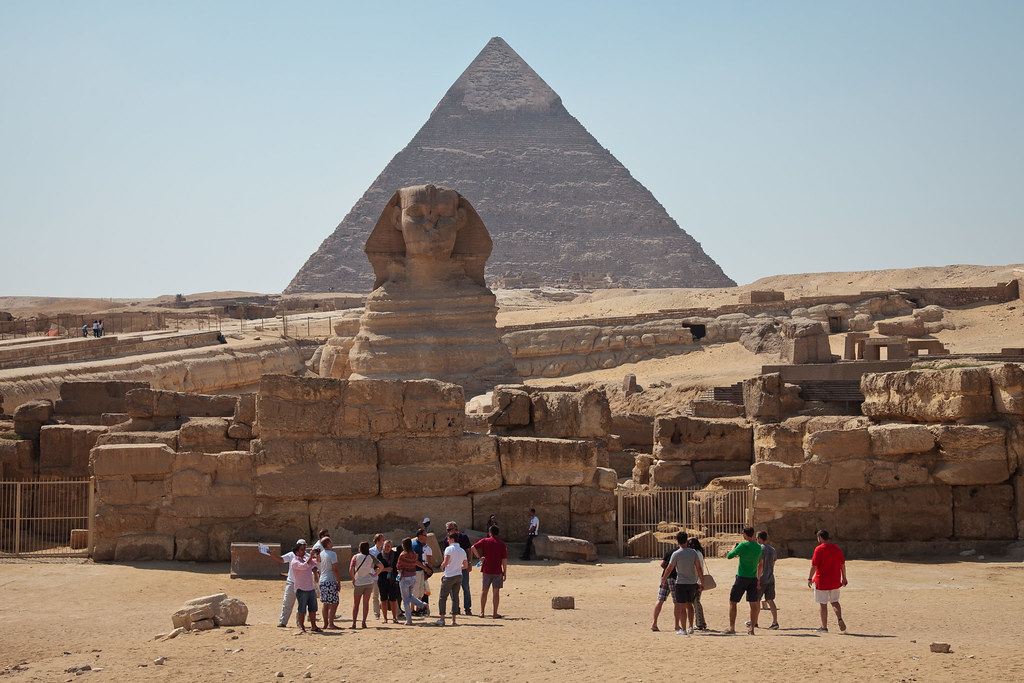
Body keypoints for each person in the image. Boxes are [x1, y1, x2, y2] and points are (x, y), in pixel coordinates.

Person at [660, 531, 703, 636]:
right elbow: (699, 568)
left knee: (682, 607)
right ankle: (691, 627)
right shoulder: (693, 553)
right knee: (690, 605)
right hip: (692, 582)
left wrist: (664, 579)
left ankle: (683, 629)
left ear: (677, 541)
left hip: (681, 583)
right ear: (687, 540)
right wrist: (701, 581)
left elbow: (669, 568)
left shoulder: (676, 554)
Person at [808, 529, 848, 633]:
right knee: (835, 602)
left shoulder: (819, 549)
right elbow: (842, 564)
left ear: (820, 538)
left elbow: (814, 566)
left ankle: (824, 627)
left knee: (823, 604)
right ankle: (839, 618)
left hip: (822, 581)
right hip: (835, 580)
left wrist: (809, 578)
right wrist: (844, 578)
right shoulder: (836, 548)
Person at [726, 526, 763, 635]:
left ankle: (732, 627)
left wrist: (733, 548)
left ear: (745, 535)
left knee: (733, 602)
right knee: (753, 604)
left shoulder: (742, 546)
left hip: (742, 577)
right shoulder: (758, 547)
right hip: (752, 578)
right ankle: (752, 628)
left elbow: (729, 556)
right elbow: (760, 562)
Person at [471, 525, 508, 618]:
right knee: (496, 592)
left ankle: (482, 612)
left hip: (486, 569)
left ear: (490, 532)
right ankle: (495, 613)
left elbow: (473, 547)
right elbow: (504, 559)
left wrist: (479, 557)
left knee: (484, 591)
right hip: (497, 570)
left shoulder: (485, 541)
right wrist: (505, 572)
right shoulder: (502, 544)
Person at [269, 538, 307, 627]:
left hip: (302, 584)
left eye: (304, 546)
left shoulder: (307, 556)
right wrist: (272, 555)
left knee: (302, 605)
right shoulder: (291, 555)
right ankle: (283, 622)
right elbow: (281, 559)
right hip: (291, 582)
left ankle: (300, 623)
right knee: (287, 603)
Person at [435, 529, 470, 626]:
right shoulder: (462, 550)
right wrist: (458, 566)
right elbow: (465, 566)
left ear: (452, 539)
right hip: (458, 575)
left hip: (449, 575)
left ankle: (442, 618)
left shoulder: (448, 549)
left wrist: (442, 566)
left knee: (443, 597)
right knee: (455, 597)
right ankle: (454, 620)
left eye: (448, 539)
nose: (447, 540)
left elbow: (446, 562)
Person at [750, 531, 779, 630]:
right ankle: (775, 622)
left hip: (761, 578)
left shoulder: (759, 549)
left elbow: (759, 565)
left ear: (759, 538)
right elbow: (773, 563)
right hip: (770, 577)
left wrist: (757, 578)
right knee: (770, 600)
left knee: (756, 600)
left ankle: (755, 621)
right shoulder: (773, 549)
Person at [443, 521, 473, 616]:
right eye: (447, 529)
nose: (447, 531)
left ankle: (467, 608)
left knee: (465, 587)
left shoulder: (463, 537)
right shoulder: (446, 540)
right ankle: (456, 608)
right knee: (453, 590)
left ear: (455, 529)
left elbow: (469, 550)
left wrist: (470, 563)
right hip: (452, 568)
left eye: (449, 529)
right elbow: (445, 554)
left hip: (463, 567)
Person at [397, 537, 430, 625]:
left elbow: (399, 566)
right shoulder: (414, 554)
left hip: (405, 577)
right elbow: (416, 562)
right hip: (413, 576)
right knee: (409, 596)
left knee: (406, 600)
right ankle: (422, 604)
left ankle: (409, 620)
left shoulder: (403, 555)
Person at [289, 542, 321, 632]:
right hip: (301, 588)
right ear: (297, 552)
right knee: (301, 609)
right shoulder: (295, 562)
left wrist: (317, 554)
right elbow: (304, 566)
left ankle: (313, 626)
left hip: (310, 588)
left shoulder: (306, 558)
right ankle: (301, 626)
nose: (304, 551)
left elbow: (317, 562)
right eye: (302, 550)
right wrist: (311, 556)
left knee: (313, 608)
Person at [350, 541, 380, 629]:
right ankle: (364, 622)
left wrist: (353, 577)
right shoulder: (371, 557)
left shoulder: (355, 557)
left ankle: (354, 623)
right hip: (368, 581)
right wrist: (375, 574)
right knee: (366, 603)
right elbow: (380, 566)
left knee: (356, 603)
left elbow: (351, 568)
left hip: (359, 581)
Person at [651, 544, 678, 632]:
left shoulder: (670, 552)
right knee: (676, 602)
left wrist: (666, 571)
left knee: (660, 600)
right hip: (675, 578)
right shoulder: (682, 553)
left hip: (665, 577)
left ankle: (654, 623)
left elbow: (662, 564)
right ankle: (677, 625)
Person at [376, 539, 401, 624]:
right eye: (385, 546)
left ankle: (394, 617)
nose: (387, 548)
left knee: (393, 599)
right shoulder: (379, 556)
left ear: (391, 547)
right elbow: (375, 569)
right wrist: (385, 569)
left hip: (393, 580)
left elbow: (399, 566)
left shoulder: (396, 555)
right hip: (382, 580)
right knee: (383, 599)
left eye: (388, 546)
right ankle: (385, 618)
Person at [318, 537, 341, 628]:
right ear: (328, 543)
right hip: (330, 580)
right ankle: (331, 623)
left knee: (326, 603)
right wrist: (338, 581)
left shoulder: (321, 554)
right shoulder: (332, 554)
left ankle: (325, 623)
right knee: (334, 602)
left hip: (322, 580)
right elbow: (335, 569)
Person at [687, 537, 709, 631]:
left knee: (696, 602)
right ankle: (702, 622)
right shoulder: (699, 553)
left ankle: (699, 623)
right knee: (696, 601)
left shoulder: (695, 553)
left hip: (696, 580)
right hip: (698, 579)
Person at [412, 527, 433, 614]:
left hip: (420, 570)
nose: (426, 537)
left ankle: (418, 609)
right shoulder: (416, 545)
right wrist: (425, 568)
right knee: (415, 590)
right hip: (415, 570)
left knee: (420, 590)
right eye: (425, 535)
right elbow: (415, 561)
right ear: (420, 536)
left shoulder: (420, 545)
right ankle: (412, 609)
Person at [369, 533, 386, 620]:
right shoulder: (371, 551)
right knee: (375, 595)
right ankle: (376, 613)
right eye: (382, 540)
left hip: (384, 575)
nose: (383, 542)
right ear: (377, 541)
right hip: (375, 576)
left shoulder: (385, 549)